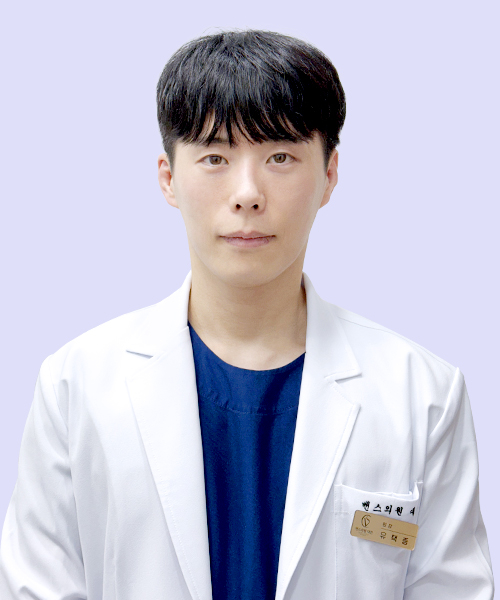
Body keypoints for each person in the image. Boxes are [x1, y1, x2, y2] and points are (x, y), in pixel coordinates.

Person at [0, 28, 494, 600]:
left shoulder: (423, 395)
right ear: (168, 178)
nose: (247, 193)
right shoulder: (77, 385)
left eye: (280, 157)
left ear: (330, 174)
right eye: (215, 157)